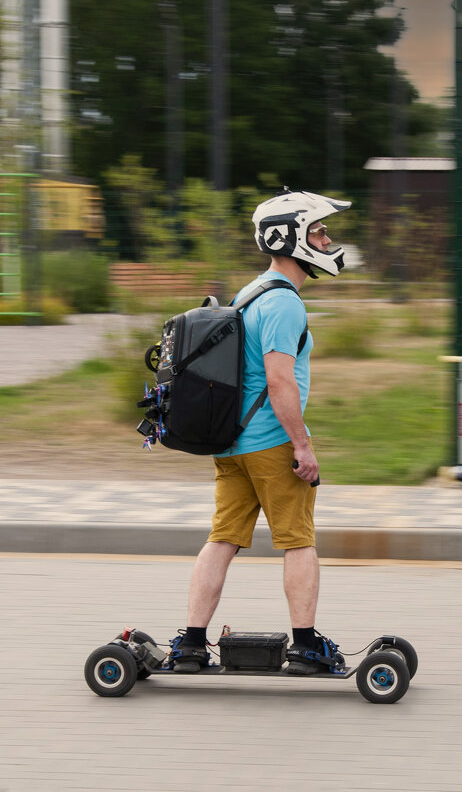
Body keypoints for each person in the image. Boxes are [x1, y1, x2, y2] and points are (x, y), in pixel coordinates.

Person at [168, 188, 350, 675]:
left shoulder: (249, 293)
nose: (327, 239)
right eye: (318, 230)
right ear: (291, 237)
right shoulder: (284, 303)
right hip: (271, 444)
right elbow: (278, 379)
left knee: (222, 538)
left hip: (230, 444)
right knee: (298, 541)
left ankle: (190, 643)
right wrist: (303, 446)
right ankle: (307, 646)